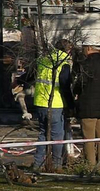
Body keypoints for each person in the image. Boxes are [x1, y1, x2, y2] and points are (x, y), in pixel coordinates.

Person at [31, 39, 74, 171]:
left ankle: (37, 164)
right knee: (57, 136)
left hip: (39, 102)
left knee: (43, 133)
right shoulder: (63, 64)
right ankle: (56, 165)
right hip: (55, 104)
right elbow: (65, 86)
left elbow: (29, 75)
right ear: (67, 50)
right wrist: (71, 105)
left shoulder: (43, 60)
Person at [75, 45, 100, 170]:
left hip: (88, 107)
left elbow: (80, 84)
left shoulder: (86, 65)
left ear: (88, 48)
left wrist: (75, 93)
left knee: (89, 138)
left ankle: (91, 167)